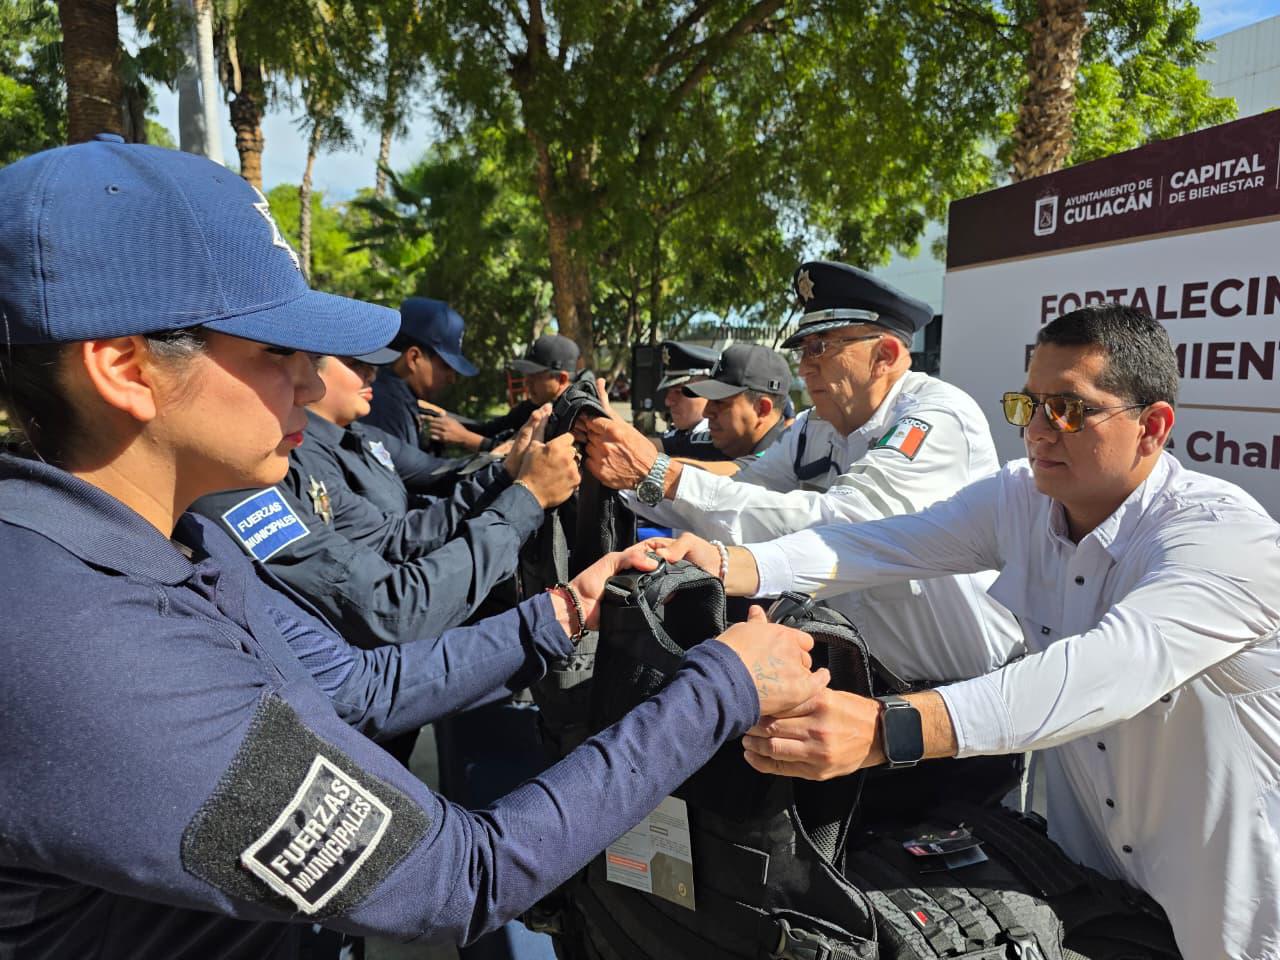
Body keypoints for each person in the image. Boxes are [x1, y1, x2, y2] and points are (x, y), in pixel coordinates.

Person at [0, 136, 825, 959]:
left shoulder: (179, 540)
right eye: (276, 352)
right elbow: (460, 879)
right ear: (126, 368)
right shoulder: (78, 642)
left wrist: (565, 612)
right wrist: (723, 687)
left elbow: (355, 686)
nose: (310, 382)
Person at [662, 304, 1280, 959]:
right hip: (1093, 891)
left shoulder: (1221, 538)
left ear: (1152, 427)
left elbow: (1101, 671)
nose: (1037, 432)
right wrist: (732, 564)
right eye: (1029, 405)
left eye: (1068, 410)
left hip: (1228, 908)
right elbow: (884, 542)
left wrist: (884, 729)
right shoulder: (1023, 498)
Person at [583, 262, 1022, 684]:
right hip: (870, 681)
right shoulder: (816, 426)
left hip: (961, 691)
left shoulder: (936, 415)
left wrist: (661, 475)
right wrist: (628, 475)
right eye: (803, 350)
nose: (804, 366)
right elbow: (737, 493)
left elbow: (845, 522)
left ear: (884, 355)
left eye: (821, 348)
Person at [428, 334, 580, 452]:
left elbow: (523, 457)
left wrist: (466, 439)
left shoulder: (574, 420)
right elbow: (489, 429)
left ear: (561, 379)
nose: (526, 382)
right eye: (526, 375)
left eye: (535, 376)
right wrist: (439, 414)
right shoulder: (532, 407)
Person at [362, 296, 477, 452]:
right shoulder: (386, 410)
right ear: (414, 358)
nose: (452, 378)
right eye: (445, 366)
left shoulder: (399, 398)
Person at [652, 341, 724, 460]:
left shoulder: (721, 440)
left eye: (679, 392)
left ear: (709, 390)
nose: (668, 402)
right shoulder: (678, 433)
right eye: (668, 392)